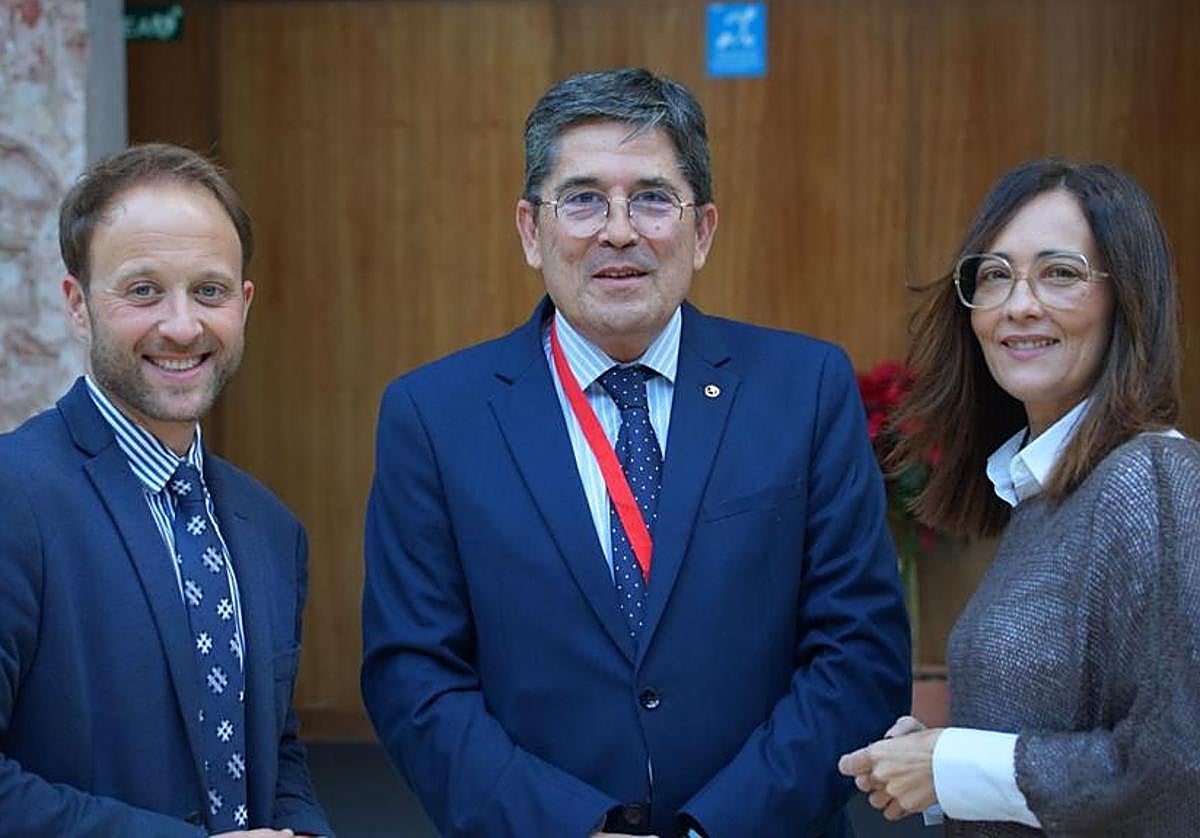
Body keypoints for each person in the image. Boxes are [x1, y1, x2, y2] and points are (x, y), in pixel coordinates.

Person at [361, 67, 910, 838]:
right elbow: (415, 677)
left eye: (652, 197)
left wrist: (712, 828)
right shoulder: (434, 416)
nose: (619, 230)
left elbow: (859, 653)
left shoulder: (803, 389)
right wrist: (573, 827)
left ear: (703, 230)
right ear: (530, 230)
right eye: (583, 199)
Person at [837, 159, 1200, 835]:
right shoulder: (1045, 492)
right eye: (995, 275)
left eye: (1060, 273)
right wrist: (935, 764)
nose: (1018, 304)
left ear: (1128, 299)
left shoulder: (1149, 479)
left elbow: (1178, 766)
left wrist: (955, 763)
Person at [0, 144, 331, 837]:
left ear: (243, 304)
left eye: (208, 290)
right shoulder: (14, 498)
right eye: (143, 290)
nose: (182, 326)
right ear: (78, 304)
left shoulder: (271, 529)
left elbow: (272, 753)